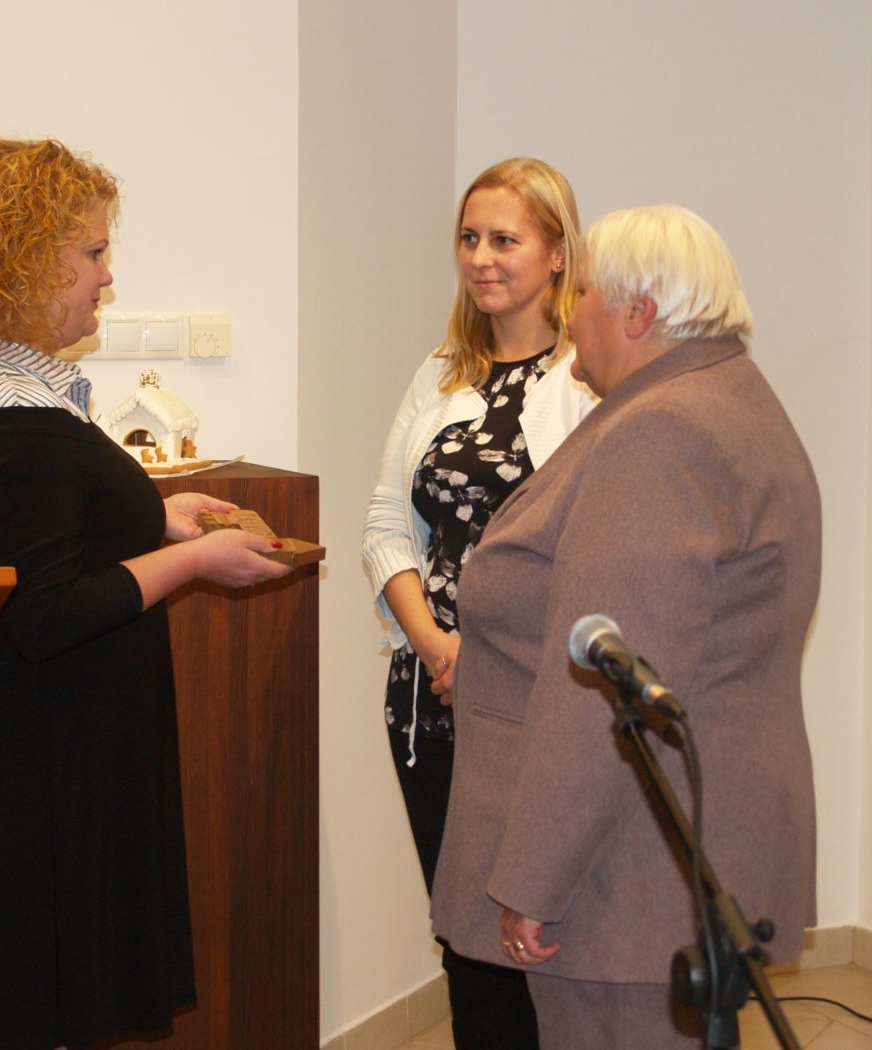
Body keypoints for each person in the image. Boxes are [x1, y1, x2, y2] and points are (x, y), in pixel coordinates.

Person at [0, 138, 294, 1050]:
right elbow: (49, 611)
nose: (108, 277)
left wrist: (158, 516)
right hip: (39, 775)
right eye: (94, 252)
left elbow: (39, 541)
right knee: (35, 1010)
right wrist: (195, 563)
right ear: (27, 260)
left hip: (27, 753)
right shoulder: (10, 413)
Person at [430, 205, 822, 1048]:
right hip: (672, 847)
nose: (567, 314)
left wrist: (535, 878)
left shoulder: (660, 435)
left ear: (638, 314)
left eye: (582, 296)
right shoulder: (729, 398)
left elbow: (607, 688)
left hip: (624, 875)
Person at [361, 157, 597, 1049]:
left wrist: (491, 663)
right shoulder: (440, 373)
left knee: (541, 934)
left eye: (506, 239)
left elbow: (593, 547)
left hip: (538, 699)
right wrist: (434, 644)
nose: (482, 258)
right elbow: (386, 524)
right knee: (464, 935)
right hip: (432, 692)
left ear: (558, 252)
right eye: (470, 238)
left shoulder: (588, 377)